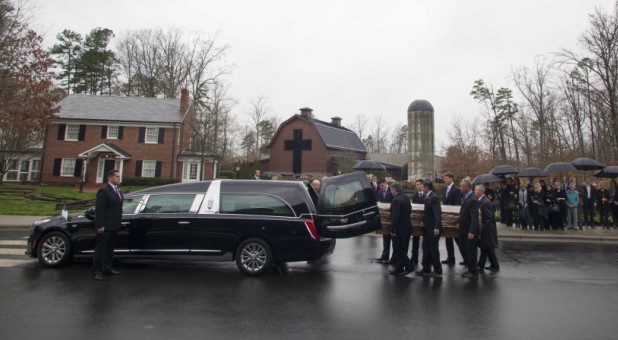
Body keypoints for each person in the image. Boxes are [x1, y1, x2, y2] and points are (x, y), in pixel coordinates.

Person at [93, 169, 124, 281]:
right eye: (117, 177)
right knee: (101, 249)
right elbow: (99, 210)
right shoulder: (104, 191)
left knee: (110, 249)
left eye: (119, 177)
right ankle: (98, 271)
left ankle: (108, 267)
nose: (119, 179)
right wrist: (100, 225)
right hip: (105, 226)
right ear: (110, 178)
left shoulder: (118, 191)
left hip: (115, 225)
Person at [416, 181, 442, 277]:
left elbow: (437, 214)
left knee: (433, 249)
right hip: (427, 227)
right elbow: (427, 213)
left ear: (427, 187)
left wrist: (437, 227)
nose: (421, 189)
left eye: (423, 187)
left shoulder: (434, 198)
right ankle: (426, 267)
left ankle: (437, 269)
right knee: (425, 247)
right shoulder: (427, 196)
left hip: (433, 228)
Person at [388, 183, 414, 275]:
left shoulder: (396, 200)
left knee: (398, 249)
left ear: (395, 190)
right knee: (403, 247)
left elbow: (395, 217)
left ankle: (409, 266)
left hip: (399, 228)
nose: (390, 192)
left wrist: (393, 230)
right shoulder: (405, 198)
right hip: (407, 227)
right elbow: (410, 210)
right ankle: (399, 268)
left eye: (391, 190)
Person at [458, 179, 480, 278]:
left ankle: (473, 271)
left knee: (471, 251)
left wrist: (471, 231)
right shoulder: (467, 197)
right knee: (467, 250)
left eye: (462, 186)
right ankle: (471, 269)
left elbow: (474, 218)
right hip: (464, 229)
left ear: (467, 187)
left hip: (469, 230)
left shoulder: (473, 199)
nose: (460, 188)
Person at [476, 184, 500, 274]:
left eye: (476, 190)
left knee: (487, 248)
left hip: (487, 230)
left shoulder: (485, 202)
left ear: (480, 191)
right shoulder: (482, 200)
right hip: (486, 229)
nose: (474, 191)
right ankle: (490, 264)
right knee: (486, 248)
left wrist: (482, 227)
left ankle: (487, 265)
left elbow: (488, 217)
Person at [441, 172, 462, 265]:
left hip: (454, 216)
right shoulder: (444, 188)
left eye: (446, 178)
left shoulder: (457, 189)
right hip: (446, 217)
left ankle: (466, 257)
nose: (444, 180)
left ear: (451, 178)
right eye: (444, 178)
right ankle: (450, 257)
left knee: (458, 240)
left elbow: (458, 204)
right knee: (448, 238)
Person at [375, 179, 394, 263]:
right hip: (385, 219)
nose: (381, 187)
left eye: (382, 185)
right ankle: (384, 256)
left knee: (394, 240)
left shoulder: (392, 191)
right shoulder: (380, 192)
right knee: (385, 238)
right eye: (380, 186)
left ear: (386, 183)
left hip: (392, 218)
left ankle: (394, 257)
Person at [409, 179, 424, 266]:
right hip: (417, 221)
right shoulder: (415, 195)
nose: (416, 186)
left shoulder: (426, 195)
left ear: (422, 185)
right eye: (416, 185)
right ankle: (414, 257)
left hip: (424, 220)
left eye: (418, 184)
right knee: (415, 240)